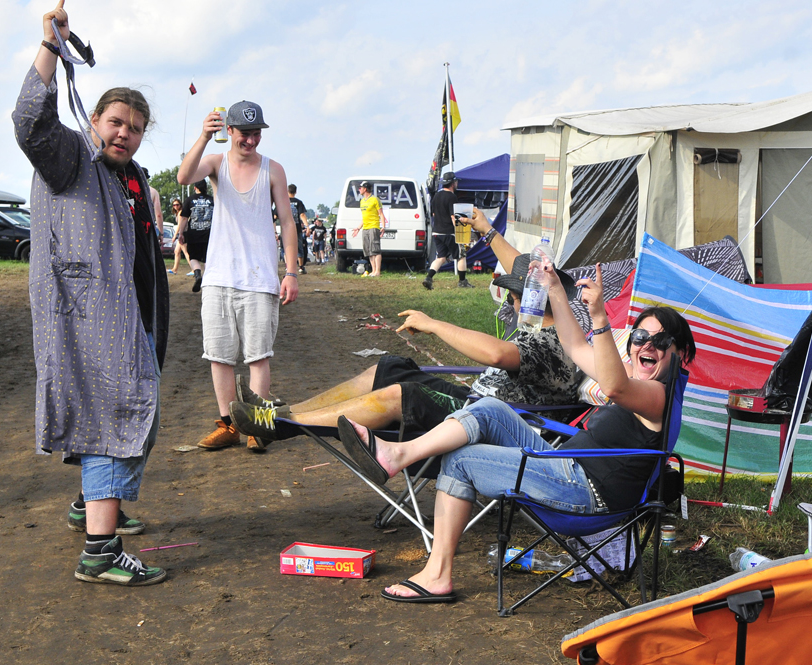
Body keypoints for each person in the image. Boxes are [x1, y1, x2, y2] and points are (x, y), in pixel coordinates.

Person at [338, 262, 697, 603]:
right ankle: (399, 455)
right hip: (565, 469)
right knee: (492, 409)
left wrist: (601, 319)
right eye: (639, 336)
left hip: (584, 495)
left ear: (680, 354)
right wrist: (556, 288)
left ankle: (437, 575)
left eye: (661, 341)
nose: (647, 345)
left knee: (462, 460)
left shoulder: (658, 396)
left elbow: (615, 387)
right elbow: (575, 347)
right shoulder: (643, 386)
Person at [13, 0, 169, 585]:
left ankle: (91, 507)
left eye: (135, 127)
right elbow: (30, 119)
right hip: (88, 320)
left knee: (133, 411)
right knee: (113, 417)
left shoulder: (127, 176)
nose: (124, 132)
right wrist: (53, 46)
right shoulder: (70, 157)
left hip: (132, 317)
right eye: (116, 122)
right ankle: (99, 553)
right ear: (95, 120)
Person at [228, 249, 582, 442]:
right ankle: (280, 413)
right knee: (387, 368)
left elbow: (496, 354)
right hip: (477, 405)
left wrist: (433, 324)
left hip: (494, 424)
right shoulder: (544, 333)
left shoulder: (555, 342)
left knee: (402, 393)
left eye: (513, 294)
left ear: (527, 298)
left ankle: (283, 425)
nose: (510, 302)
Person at [178, 100, 299, 453]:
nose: (251, 140)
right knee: (219, 356)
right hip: (218, 276)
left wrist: (290, 272)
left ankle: (257, 427)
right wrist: (202, 136)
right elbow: (184, 176)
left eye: (256, 133)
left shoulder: (273, 170)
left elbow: (287, 222)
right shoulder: (216, 163)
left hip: (260, 277)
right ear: (228, 131)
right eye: (244, 133)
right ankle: (230, 425)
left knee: (258, 356)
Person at [424, 172, 471, 290]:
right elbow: (453, 217)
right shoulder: (452, 197)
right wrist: (460, 232)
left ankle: (428, 278)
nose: (457, 183)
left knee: (441, 257)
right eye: (456, 182)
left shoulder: (436, 196)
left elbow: (434, 214)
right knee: (461, 256)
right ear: (452, 183)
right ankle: (462, 281)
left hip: (437, 232)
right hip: (449, 232)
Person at [177, 179, 213, 292]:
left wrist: (181, 233)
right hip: (210, 234)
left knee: (193, 257)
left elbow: (183, 218)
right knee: (208, 258)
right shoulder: (212, 200)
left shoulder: (190, 200)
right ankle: (208, 280)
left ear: (195, 188)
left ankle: (198, 276)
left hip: (194, 235)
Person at [351, 181, 387, 277]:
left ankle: (378, 272)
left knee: (375, 250)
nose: (359, 189)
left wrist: (383, 226)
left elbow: (381, 214)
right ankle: (373, 271)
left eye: (360, 188)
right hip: (365, 228)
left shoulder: (375, 199)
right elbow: (364, 217)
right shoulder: (362, 201)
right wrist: (358, 228)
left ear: (365, 189)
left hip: (374, 227)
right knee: (369, 251)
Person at [288, 184, 309, 274]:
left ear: (287, 191)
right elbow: (302, 215)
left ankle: (288, 267)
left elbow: (276, 215)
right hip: (296, 228)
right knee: (299, 247)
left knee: (287, 247)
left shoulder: (283, 201)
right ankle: (301, 267)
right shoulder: (299, 202)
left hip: (286, 228)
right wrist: (307, 226)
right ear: (296, 192)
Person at [168, 198, 193, 274]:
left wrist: (175, 235)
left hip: (183, 233)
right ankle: (175, 269)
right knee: (176, 251)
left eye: (177, 204)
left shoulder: (180, 213)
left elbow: (179, 225)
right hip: (182, 233)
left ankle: (194, 269)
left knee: (185, 252)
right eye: (174, 205)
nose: (175, 206)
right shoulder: (179, 213)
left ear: (180, 205)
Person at [143, 167, 164, 238]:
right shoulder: (153, 192)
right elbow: (158, 214)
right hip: (148, 227)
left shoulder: (128, 191)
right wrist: (161, 233)